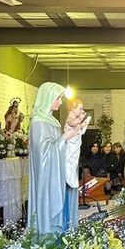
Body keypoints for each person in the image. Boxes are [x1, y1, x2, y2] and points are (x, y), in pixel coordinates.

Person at [28, 83, 87, 234]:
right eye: (58, 98)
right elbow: (43, 154)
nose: (60, 102)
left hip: (57, 174)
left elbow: (58, 146)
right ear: (48, 98)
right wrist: (65, 138)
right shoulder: (38, 122)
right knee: (50, 211)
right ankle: (48, 239)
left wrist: (69, 140)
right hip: (46, 178)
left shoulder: (52, 121)